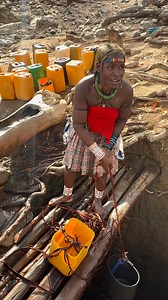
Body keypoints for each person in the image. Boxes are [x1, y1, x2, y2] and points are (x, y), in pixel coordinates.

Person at [49, 43, 133, 215]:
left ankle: (97, 201)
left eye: (121, 67)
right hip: (84, 132)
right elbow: (78, 125)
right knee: (71, 166)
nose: (117, 73)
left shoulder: (126, 91)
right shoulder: (84, 88)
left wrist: (107, 149)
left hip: (108, 135)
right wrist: (98, 153)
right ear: (98, 67)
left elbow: (122, 119)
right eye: (110, 67)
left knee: (100, 173)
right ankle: (67, 195)